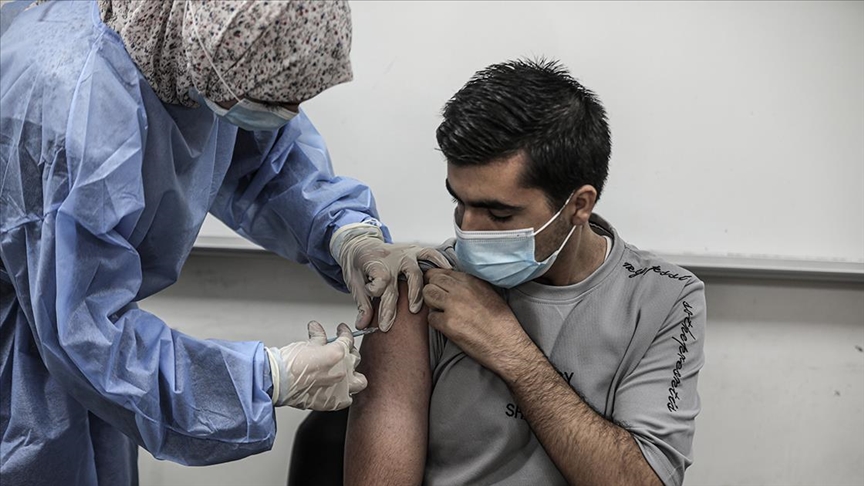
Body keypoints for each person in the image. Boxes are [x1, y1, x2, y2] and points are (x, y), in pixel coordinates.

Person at [0, 1, 448, 484]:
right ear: (213, 53)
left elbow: (271, 161)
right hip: (22, 361)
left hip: (68, 341)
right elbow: (83, 331)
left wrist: (347, 234)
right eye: (273, 101)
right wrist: (266, 378)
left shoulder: (184, 47)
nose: (289, 115)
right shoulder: (73, 106)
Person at [344, 59, 706, 486]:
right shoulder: (420, 287)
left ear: (579, 205)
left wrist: (513, 353)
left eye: (499, 214)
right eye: (459, 202)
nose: (467, 229)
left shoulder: (666, 299)